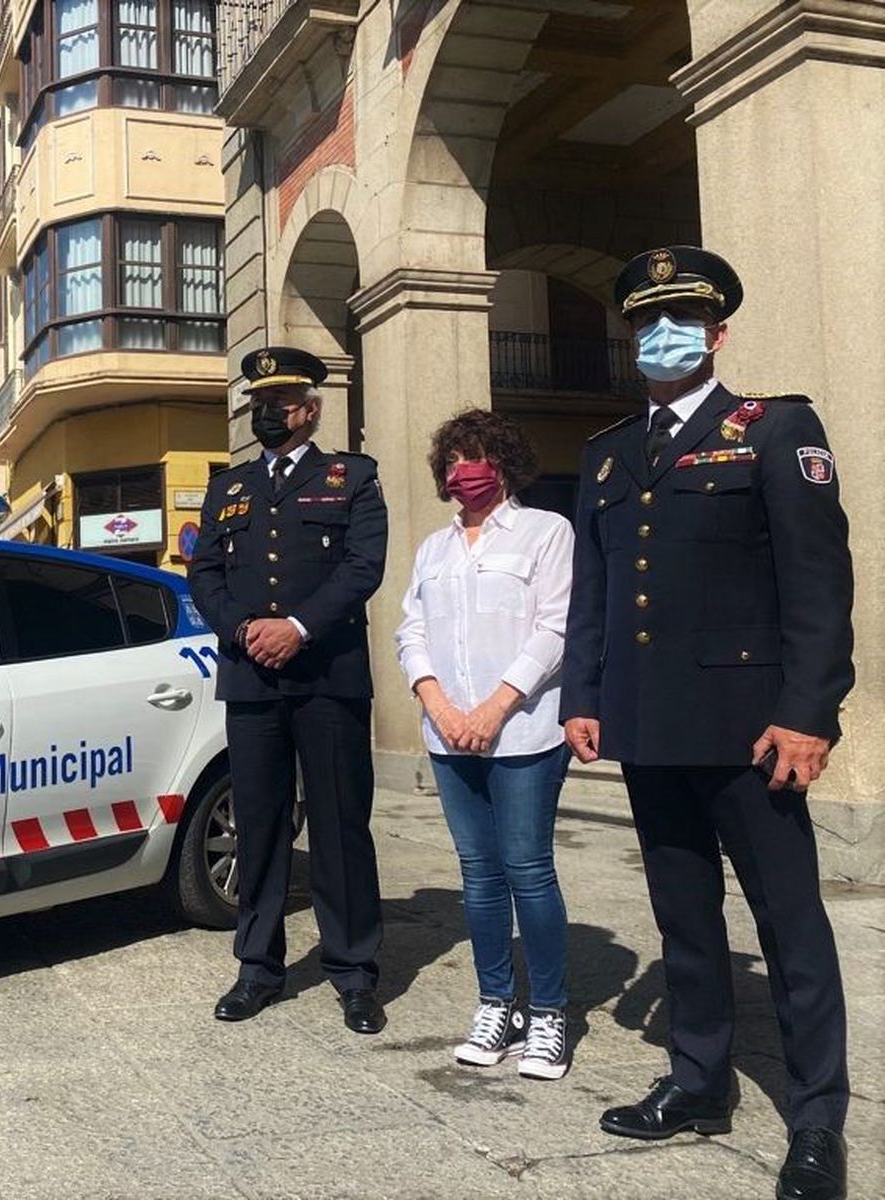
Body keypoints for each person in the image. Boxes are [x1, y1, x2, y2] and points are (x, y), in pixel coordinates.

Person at [561, 246, 854, 1200]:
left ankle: (816, 1120)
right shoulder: (607, 454)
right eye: (646, 322)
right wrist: (584, 697)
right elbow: (594, 594)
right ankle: (698, 1082)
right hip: (650, 728)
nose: (662, 335)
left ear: (718, 330)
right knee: (683, 919)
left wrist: (808, 714)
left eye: (682, 318)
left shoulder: (774, 430)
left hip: (749, 731)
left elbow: (819, 585)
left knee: (791, 927)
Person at [187, 346, 389, 1033]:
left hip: (328, 675)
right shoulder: (229, 488)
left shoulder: (352, 478)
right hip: (251, 679)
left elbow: (364, 566)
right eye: (260, 403)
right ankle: (258, 967)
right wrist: (244, 628)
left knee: (338, 823)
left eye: (282, 402)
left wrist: (298, 627)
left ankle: (354, 970)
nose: (268, 413)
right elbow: (205, 573)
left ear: (311, 408)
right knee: (259, 824)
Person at [394, 409, 575, 1080]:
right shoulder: (434, 550)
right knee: (479, 876)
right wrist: (438, 703)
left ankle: (550, 1012)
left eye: (475, 457)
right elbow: (410, 631)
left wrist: (496, 707)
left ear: (503, 464)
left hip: (524, 730)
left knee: (528, 869)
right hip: (449, 736)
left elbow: (555, 630)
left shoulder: (546, 532)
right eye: (451, 460)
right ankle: (496, 1002)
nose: (461, 470)